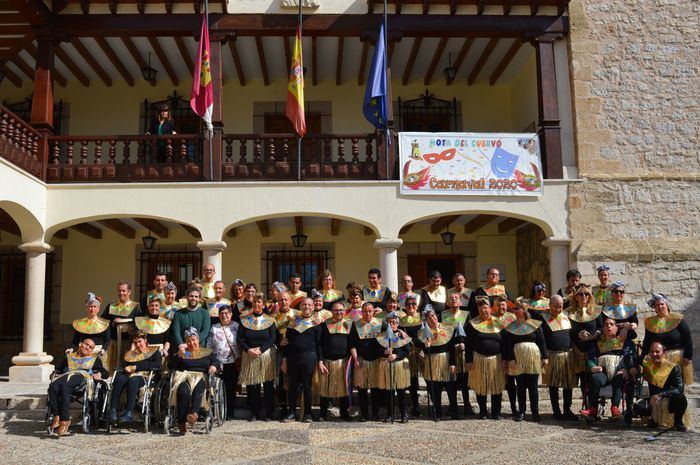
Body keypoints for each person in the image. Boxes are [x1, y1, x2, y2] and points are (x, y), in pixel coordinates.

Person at [48, 338, 108, 436]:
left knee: (65, 387)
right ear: (80, 344)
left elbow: (105, 372)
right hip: (66, 375)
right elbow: (59, 369)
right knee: (53, 386)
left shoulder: (94, 359)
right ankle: (56, 416)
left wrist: (100, 374)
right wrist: (54, 373)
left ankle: (65, 420)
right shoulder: (70, 357)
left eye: (90, 347)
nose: (87, 347)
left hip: (81, 377)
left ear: (92, 351)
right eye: (86, 344)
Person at [580, 317, 635, 420]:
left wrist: (626, 368)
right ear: (603, 328)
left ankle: (615, 408)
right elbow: (591, 357)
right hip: (603, 371)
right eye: (606, 325)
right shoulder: (597, 342)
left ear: (616, 328)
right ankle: (593, 409)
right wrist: (592, 367)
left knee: (619, 378)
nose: (609, 326)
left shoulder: (624, 341)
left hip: (619, 370)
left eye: (611, 324)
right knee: (595, 378)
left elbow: (629, 357)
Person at [502, 298, 548, 422]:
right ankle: (521, 411)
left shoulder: (534, 324)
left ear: (524, 310)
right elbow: (509, 344)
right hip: (518, 358)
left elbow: (541, 341)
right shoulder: (512, 327)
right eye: (514, 309)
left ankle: (535, 412)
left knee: (533, 386)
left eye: (517, 309)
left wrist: (545, 357)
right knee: (521, 386)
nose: (515, 311)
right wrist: (511, 358)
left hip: (532, 358)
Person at [168, 327, 220, 434]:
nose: (191, 343)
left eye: (193, 340)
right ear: (185, 342)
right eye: (188, 341)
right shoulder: (186, 353)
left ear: (198, 339)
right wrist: (178, 355)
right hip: (185, 376)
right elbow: (171, 366)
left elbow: (216, 361)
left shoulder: (206, 352)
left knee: (198, 387)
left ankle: (194, 415)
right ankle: (181, 422)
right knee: (184, 392)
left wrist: (214, 366)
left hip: (202, 376)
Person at [238, 293, 277, 421]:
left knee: (268, 385)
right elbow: (240, 338)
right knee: (253, 385)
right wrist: (248, 350)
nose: (257, 304)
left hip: (265, 355)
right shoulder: (244, 319)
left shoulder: (270, 320)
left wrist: (261, 349)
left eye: (259, 302)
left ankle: (269, 413)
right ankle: (254, 412)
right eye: (254, 302)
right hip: (250, 355)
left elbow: (272, 338)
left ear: (263, 304)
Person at [281, 297, 322, 422]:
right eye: (304, 304)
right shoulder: (293, 322)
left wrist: (320, 360)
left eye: (310, 305)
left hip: (309, 357)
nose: (307, 307)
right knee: (293, 386)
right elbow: (286, 342)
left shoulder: (317, 323)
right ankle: (292, 412)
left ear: (313, 307)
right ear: (300, 307)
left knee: (307, 386)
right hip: (293, 357)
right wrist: (284, 359)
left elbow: (319, 344)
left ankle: (308, 414)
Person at [465, 297, 506, 419]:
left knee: (496, 386)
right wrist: (468, 361)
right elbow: (468, 344)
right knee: (480, 386)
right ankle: (483, 411)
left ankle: (496, 412)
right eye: (481, 308)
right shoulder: (472, 324)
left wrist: (505, 360)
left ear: (490, 308)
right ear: (478, 309)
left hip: (496, 360)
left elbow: (505, 343)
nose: (484, 310)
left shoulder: (499, 323)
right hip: (479, 360)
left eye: (486, 308)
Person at [109, 330, 161, 422]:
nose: (137, 344)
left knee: (133, 380)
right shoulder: (132, 354)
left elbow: (157, 365)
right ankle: (112, 410)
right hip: (130, 374)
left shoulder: (154, 351)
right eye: (135, 342)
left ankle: (129, 412)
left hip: (144, 376)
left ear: (145, 340)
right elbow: (126, 364)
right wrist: (130, 356)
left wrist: (136, 367)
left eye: (139, 341)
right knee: (119, 378)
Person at [416, 305, 459, 420]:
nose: (432, 318)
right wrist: (425, 346)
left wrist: (453, 363)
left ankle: (454, 411)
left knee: (450, 388)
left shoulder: (448, 329)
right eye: (429, 317)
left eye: (433, 315)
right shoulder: (423, 333)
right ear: (426, 320)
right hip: (432, 361)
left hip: (446, 360)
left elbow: (452, 348)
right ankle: (437, 412)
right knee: (435, 388)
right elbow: (422, 348)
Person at [540, 295, 578, 421]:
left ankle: (567, 410)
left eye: (560, 306)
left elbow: (572, 336)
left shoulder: (567, 317)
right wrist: (544, 356)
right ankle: (556, 411)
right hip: (553, 355)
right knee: (553, 384)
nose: (558, 309)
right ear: (550, 305)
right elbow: (542, 340)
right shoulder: (543, 319)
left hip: (567, 355)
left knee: (568, 384)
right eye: (555, 307)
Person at [636, 341, 689, 431]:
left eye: (657, 352)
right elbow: (633, 358)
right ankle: (654, 419)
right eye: (652, 352)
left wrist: (661, 395)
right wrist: (633, 367)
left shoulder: (673, 367)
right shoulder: (647, 362)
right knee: (638, 407)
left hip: (668, 400)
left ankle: (678, 422)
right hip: (653, 401)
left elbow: (679, 388)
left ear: (663, 353)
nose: (654, 354)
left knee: (681, 399)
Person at [642, 293, 693, 385]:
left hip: (676, 357)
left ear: (666, 305)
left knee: (676, 385)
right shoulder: (650, 323)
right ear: (654, 308)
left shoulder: (677, 319)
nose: (660, 307)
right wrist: (642, 358)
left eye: (662, 304)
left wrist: (688, 356)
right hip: (657, 359)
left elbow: (687, 337)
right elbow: (647, 342)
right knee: (660, 385)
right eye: (657, 305)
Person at [567, 283, 602, 409]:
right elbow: (568, 330)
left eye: (586, 294)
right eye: (580, 294)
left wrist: (595, 334)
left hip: (593, 349)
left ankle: (594, 405)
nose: (583, 296)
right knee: (582, 378)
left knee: (593, 378)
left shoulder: (596, 311)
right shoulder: (570, 313)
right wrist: (578, 334)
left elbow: (601, 327)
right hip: (578, 350)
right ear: (576, 297)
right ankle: (586, 405)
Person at [318, 301, 352, 421]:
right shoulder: (324, 325)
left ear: (344, 311)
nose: (338, 312)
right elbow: (320, 344)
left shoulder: (349, 325)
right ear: (331, 312)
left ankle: (344, 412)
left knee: (344, 389)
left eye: (341, 310)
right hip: (327, 362)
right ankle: (322, 413)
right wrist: (320, 361)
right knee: (325, 388)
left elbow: (352, 343)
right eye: (336, 310)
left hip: (343, 362)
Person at [349, 302, 383, 421]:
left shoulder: (380, 323)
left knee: (375, 389)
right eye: (364, 311)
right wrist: (355, 358)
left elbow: (385, 342)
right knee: (362, 389)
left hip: (376, 361)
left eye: (369, 311)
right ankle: (364, 414)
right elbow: (352, 344)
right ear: (361, 312)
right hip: (362, 361)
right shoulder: (356, 325)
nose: (367, 313)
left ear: (373, 311)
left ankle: (375, 413)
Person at [376, 311, 412, 423]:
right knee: (389, 392)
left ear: (397, 324)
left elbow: (407, 351)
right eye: (390, 322)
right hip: (387, 365)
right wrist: (384, 351)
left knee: (401, 392)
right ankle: (389, 414)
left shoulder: (403, 336)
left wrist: (397, 355)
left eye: (394, 322)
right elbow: (377, 350)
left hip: (399, 365)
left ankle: (404, 414)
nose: (392, 324)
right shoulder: (381, 336)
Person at [442, 292, 474, 416]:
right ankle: (453, 405)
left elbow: (470, 333)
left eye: (456, 298)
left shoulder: (467, 315)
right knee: (452, 381)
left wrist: (465, 344)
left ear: (461, 302)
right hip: (450, 351)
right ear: (447, 302)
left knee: (464, 380)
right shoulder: (443, 315)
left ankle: (467, 404)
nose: (454, 300)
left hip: (463, 351)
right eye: (451, 298)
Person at [206, 305, 240, 419]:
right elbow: (209, 345)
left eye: (226, 313)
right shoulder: (214, 327)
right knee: (216, 388)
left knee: (231, 388)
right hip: (218, 363)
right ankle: (218, 411)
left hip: (232, 362)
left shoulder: (236, 326)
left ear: (231, 314)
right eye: (221, 313)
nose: (224, 315)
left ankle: (229, 411)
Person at [71, 293, 110, 369]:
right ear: (87, 308)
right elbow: (75, 340)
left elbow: (107, 340)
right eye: (90, 306)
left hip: (98, 352)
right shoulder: (80, 324)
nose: (92, 309)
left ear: (98, 309)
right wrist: (71, 348)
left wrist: (104, 349)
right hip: (84, 351)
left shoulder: (104, 324)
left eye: (95, 307)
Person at [399, 295, 423, 417]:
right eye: (408, 305)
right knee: (412, 380)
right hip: (409, 354)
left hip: (420, 352)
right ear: (405, 307)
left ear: (417, 305)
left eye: (413, 304)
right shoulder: (402, 321)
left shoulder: (422, 318)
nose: (411, 306)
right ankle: (415, 405)